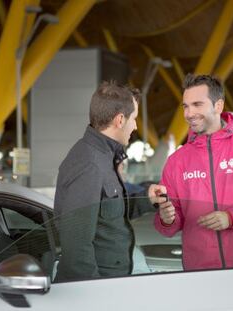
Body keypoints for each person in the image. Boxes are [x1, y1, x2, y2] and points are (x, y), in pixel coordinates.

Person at [150, 74, 233, 275]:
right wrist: (166, 217)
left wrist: (231, 218)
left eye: (197, 104)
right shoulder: (177, 160)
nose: (189, 113)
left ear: (218, 106)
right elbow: (172, 221)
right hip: (201, 275)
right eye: (185, 106)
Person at [54, 81, 161, 281]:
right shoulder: (89, 164)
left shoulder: (103, 156)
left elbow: (108, 212)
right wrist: (97, 295)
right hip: (97, 289)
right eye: (134, 119)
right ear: (120, 120)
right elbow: (76, 245)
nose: (135, 126)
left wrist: (146, 198)